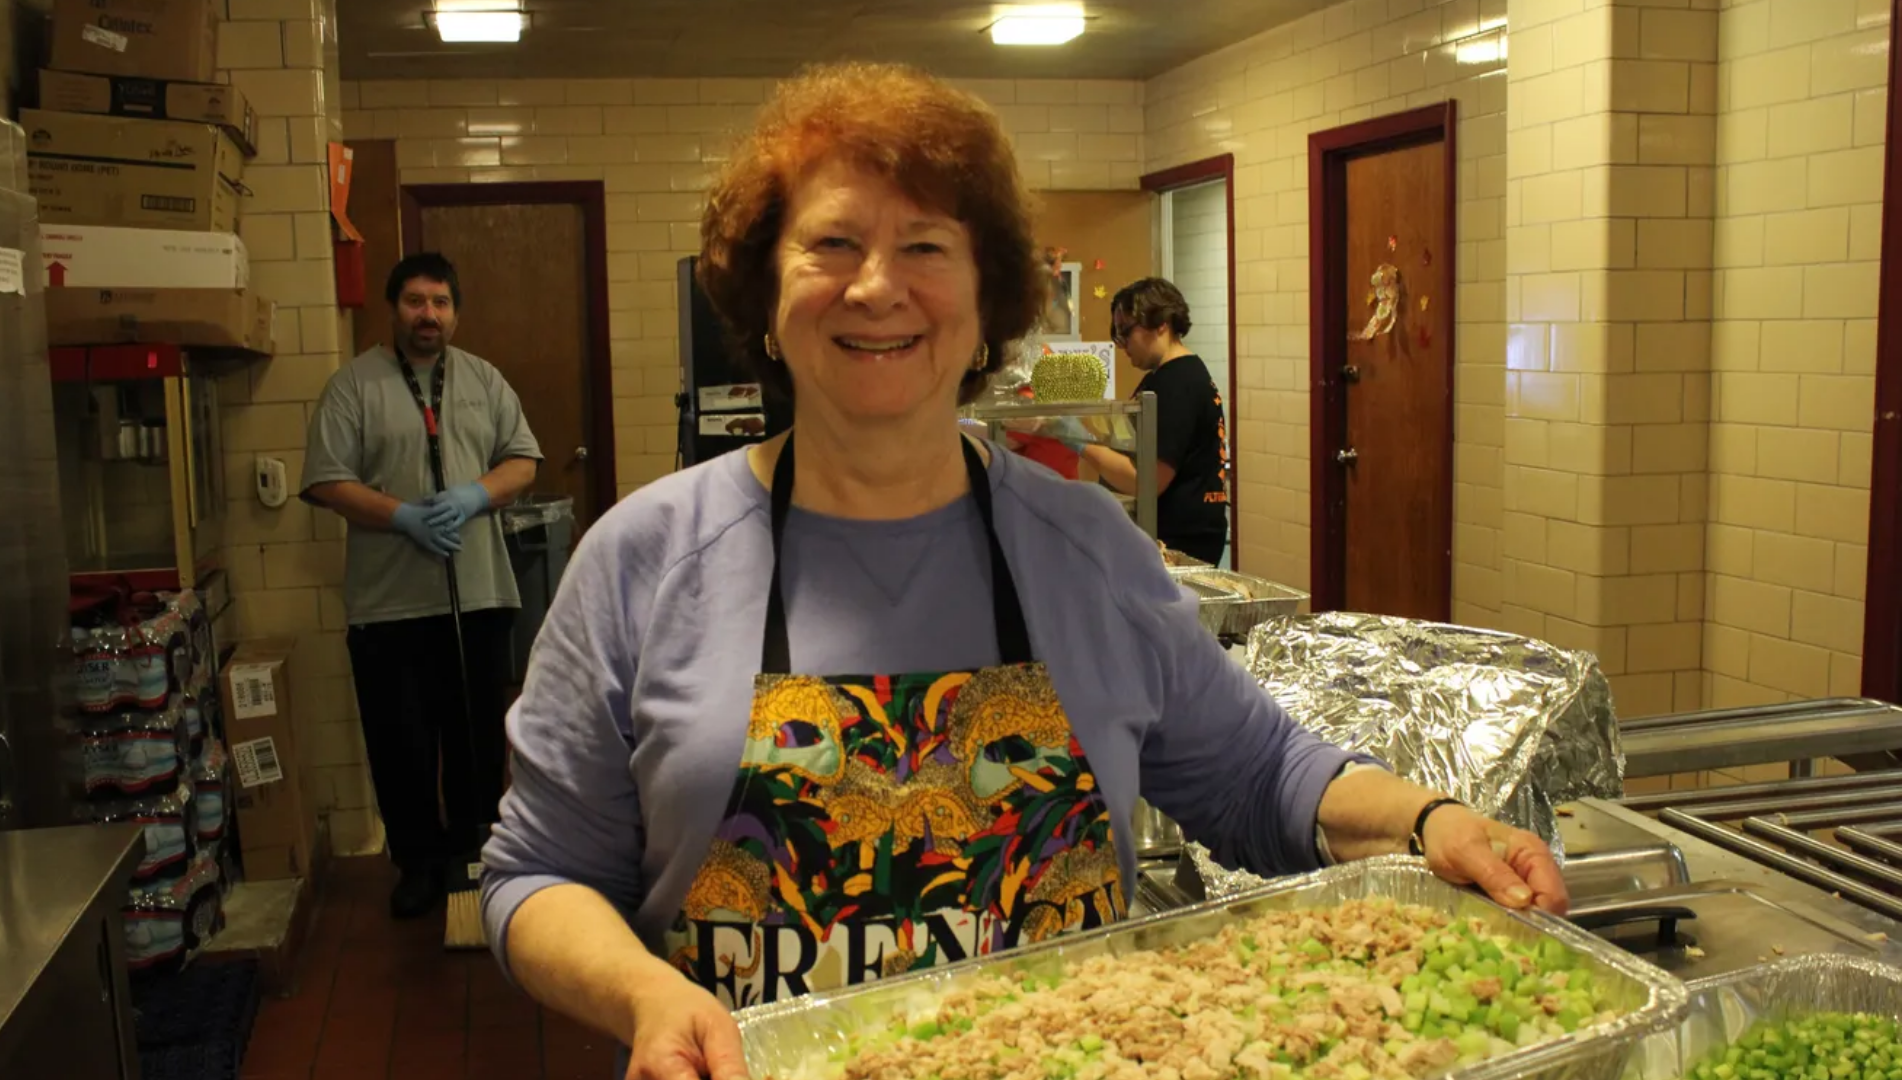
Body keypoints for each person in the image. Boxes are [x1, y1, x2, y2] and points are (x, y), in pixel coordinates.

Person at [481, 63, 1567, 1080]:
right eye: (831, 245)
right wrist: (641, 996)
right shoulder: (644, 558)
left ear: (988, 300)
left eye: (924, 248)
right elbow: (536, 875)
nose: (876, 287)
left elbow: (1262, 775)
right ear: (763, 297)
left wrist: (1433, 822)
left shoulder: (1086, 547)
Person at [302, 252, 542, 918]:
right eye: (415, 301)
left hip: (479, 596)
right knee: (401, 743)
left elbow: (523, 463)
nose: (427, 314)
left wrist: (473, 495)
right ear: (394, 309)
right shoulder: (353, 386)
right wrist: (400, 516)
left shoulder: (485, 380)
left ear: (455, 312)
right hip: (388, 607)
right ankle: (417, 864)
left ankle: (475, 855)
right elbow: (326, 481)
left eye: (440, 302)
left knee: (476, 739)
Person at [1079, 278, 1230, 565]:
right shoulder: (1163, 378)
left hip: (1180, 543)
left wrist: (1078, 442)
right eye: (1117, 335)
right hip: (1169, 533)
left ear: (1161, 323)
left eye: (1126, 331)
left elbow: (1146, 481)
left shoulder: (1179, 383)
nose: (1122, 345)